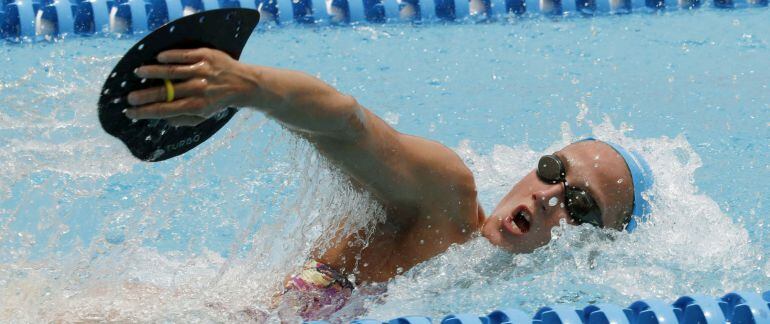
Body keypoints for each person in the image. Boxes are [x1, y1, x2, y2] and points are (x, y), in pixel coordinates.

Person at [123, 48, 653, 319]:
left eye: (580, 202)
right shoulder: (445, 200)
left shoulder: (494, 292)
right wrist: (248, 86)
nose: (548, 195)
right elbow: (349, 124)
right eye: (553, 171)